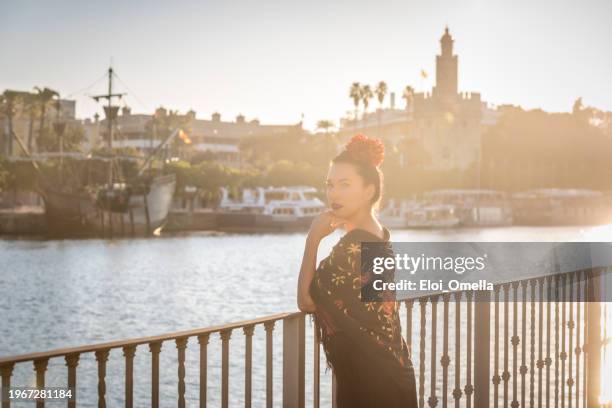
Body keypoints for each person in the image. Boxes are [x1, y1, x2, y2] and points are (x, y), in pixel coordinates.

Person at [297, 134, 418, 407]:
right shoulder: (379, 236)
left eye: (345, 184)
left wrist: (313, 239)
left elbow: (305, 301)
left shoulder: (353, 247)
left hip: (371, 383)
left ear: (369, 191)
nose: (334, 193)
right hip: (394, 372)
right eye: (330, 185)